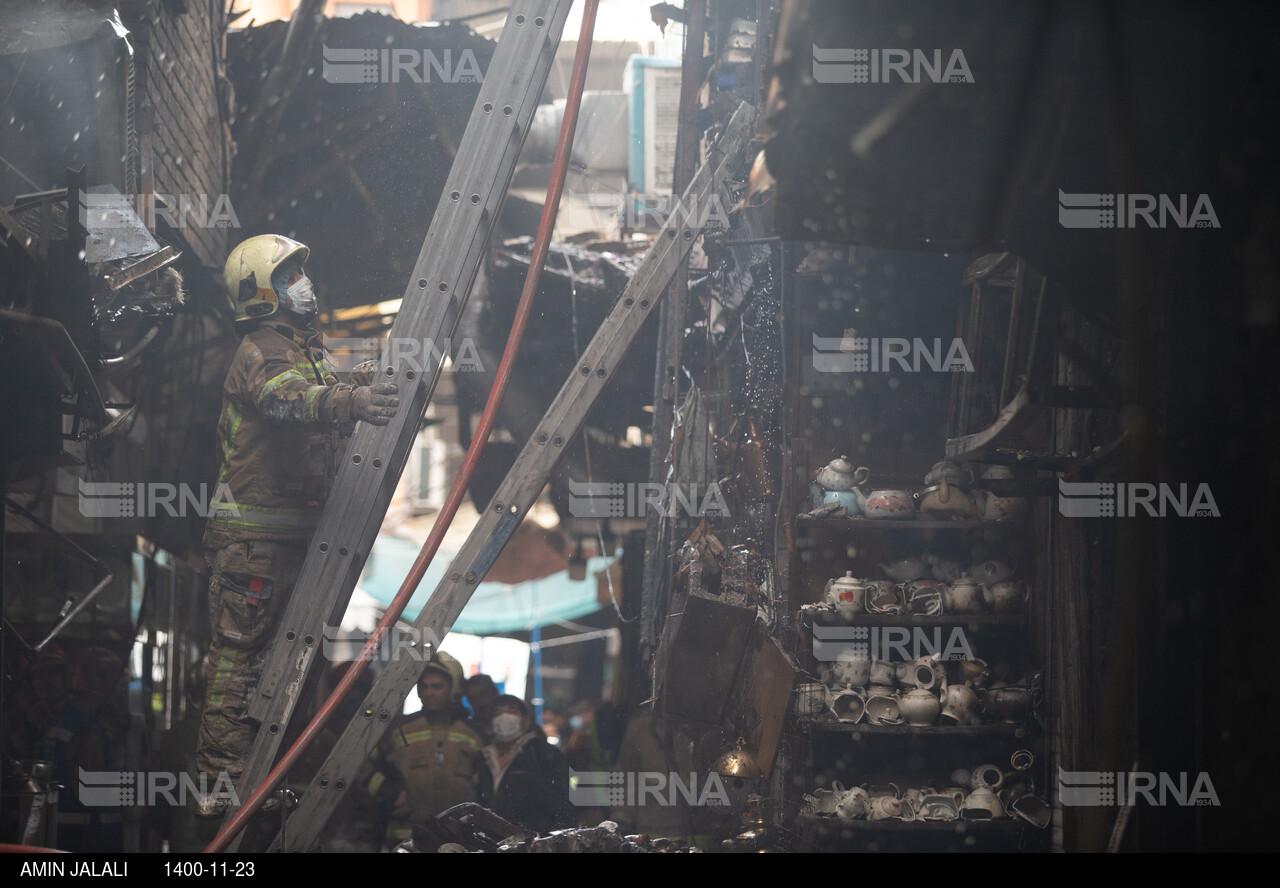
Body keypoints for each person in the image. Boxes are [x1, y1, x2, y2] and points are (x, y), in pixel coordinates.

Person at [195, 234, 400, 813]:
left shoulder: (306, 349)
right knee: (238, 656)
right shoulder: (261, 349)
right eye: (288, 276)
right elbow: (286, 400)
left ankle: (263, 775)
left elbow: (317, 395)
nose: (303, 285)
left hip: (295, 541)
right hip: (253, 543)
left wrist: (355, 385)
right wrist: (350, 402)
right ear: (263, 292)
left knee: (281, 664)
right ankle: (218, 785)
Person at [362, 653, 481, 849]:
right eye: (423, 687)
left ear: (455, 689)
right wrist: (386, 790)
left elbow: (483, 785)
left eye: (437, 686)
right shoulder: (400, 729)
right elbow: (361, 764)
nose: (428, 693)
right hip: (407, 838)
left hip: (457, 841)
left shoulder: (473, 735)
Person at [42, 646, 125, 852]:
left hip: (64, 838)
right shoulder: (87, 733)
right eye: (116, 687)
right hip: (88, 841)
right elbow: (92, 792)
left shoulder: (64, 723)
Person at [478, 695, 573, 833]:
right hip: (490, 840)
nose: (504, 717)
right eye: (498, 712)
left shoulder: (545, 755)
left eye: (512, 711)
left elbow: (562, 803)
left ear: (526, 721)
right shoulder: (483, 756)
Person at [462, 673, 499, 743]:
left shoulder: (513, 725)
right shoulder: (467, 732)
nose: (480, 702)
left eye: (483, 695)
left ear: (495, 693)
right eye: (473, 699)